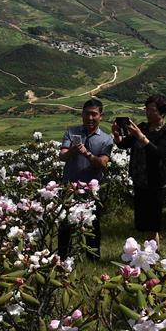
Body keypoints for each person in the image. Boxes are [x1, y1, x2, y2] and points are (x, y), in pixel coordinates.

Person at [112, 94, 166, 245]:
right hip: (139, 178)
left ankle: (154, 254)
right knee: (143, 220)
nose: (148, 112)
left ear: (162, 112)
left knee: (153, 222)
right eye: (147, 109)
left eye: (152, 110)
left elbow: (159, 154)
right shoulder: (142, 127)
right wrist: (117, 136)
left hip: (155, 180)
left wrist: (142, 138)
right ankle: (147, 251)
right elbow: (124, 144)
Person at [58, 98, 113, 259]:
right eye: (87, 114)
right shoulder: (71, 132)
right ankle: (62, 258)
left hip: (91, 191)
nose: (90, 118)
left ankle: (93, 260)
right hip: (69, 187)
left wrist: (86, 153)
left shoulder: (106, 139)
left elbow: (102, 163)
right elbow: (62, 156)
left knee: (93, 227)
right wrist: (73, 151)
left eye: (94, 114)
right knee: (65, 226)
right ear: (82, 114)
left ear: (100, 116)